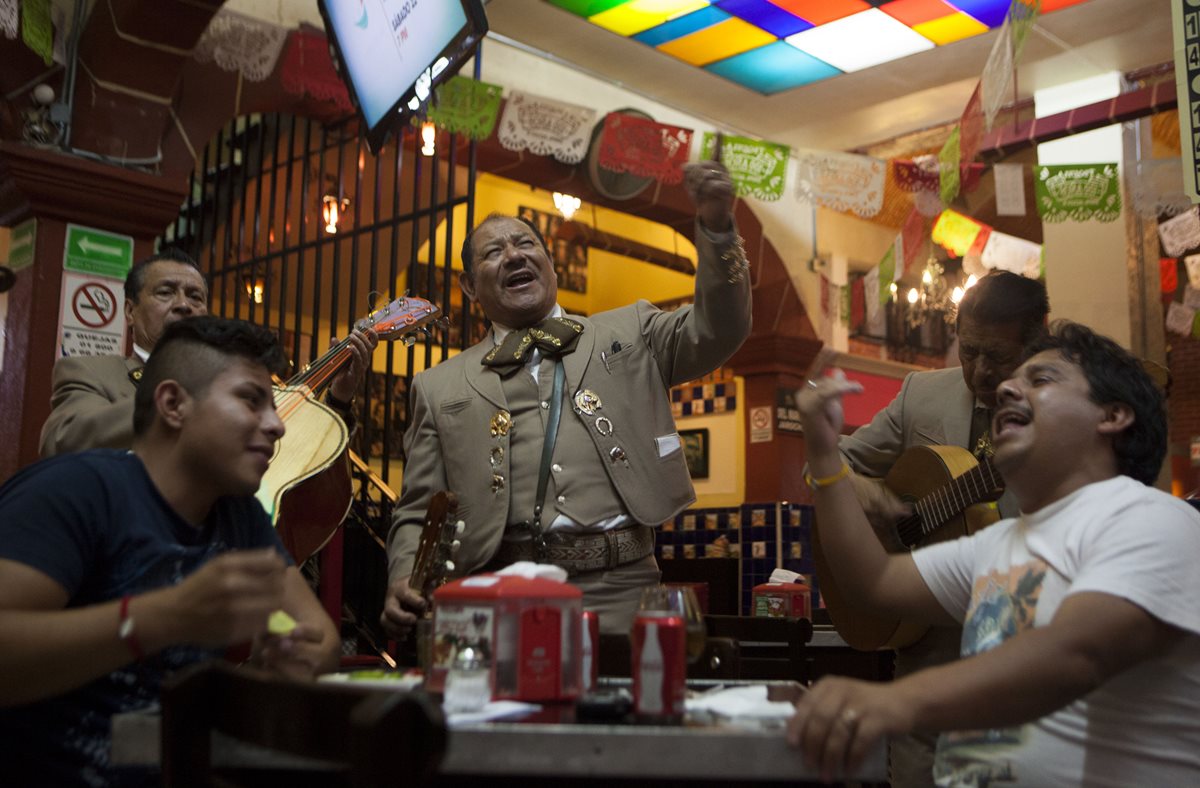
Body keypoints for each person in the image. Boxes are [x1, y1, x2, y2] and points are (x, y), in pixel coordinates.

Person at [789, 321, 1200, 786]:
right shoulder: (999, 542)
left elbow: (1079, 653)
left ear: (1112, 415)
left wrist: (894, 701)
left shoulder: (1152, 519)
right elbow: (873, 582)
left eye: (1040, 380)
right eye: (1014, 379)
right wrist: (825, 457)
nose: (1005, 387)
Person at [382, 162, 752, 636]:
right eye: (494, 252)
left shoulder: (632, 330)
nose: (513, 255)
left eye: (526, 244)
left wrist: (718, 231)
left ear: (550, 263)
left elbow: (721, 328)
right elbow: (417, 509)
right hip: (498, 599)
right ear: (470, 287)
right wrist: (401, 574)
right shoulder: (437, 387)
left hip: (624, 590)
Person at [0, 316, 341, 787]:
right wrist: (163, 617)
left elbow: (315, 636)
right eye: (251, 400)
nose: (277, 425)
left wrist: (289, 653)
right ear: (173, 403)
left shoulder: (238, 514)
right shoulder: (77, 491)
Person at [833, 270, 1048, 787]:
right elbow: (833, 463)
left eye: (996, 356)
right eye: (968, 349)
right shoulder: (921, 395)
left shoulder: (1061, 412)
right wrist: (856, 489)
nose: (977, 370)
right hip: (926, 644)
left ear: (1036, 341)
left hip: (1025, 645)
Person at [39, 247, 376, 457]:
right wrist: (187, 399)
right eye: (166, 292)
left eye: (195, 297)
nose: (183, 304)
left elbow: (299, 458)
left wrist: (339, 399)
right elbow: (64, 440)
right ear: (129, 311)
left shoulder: (239, 380)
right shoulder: (89, 371)